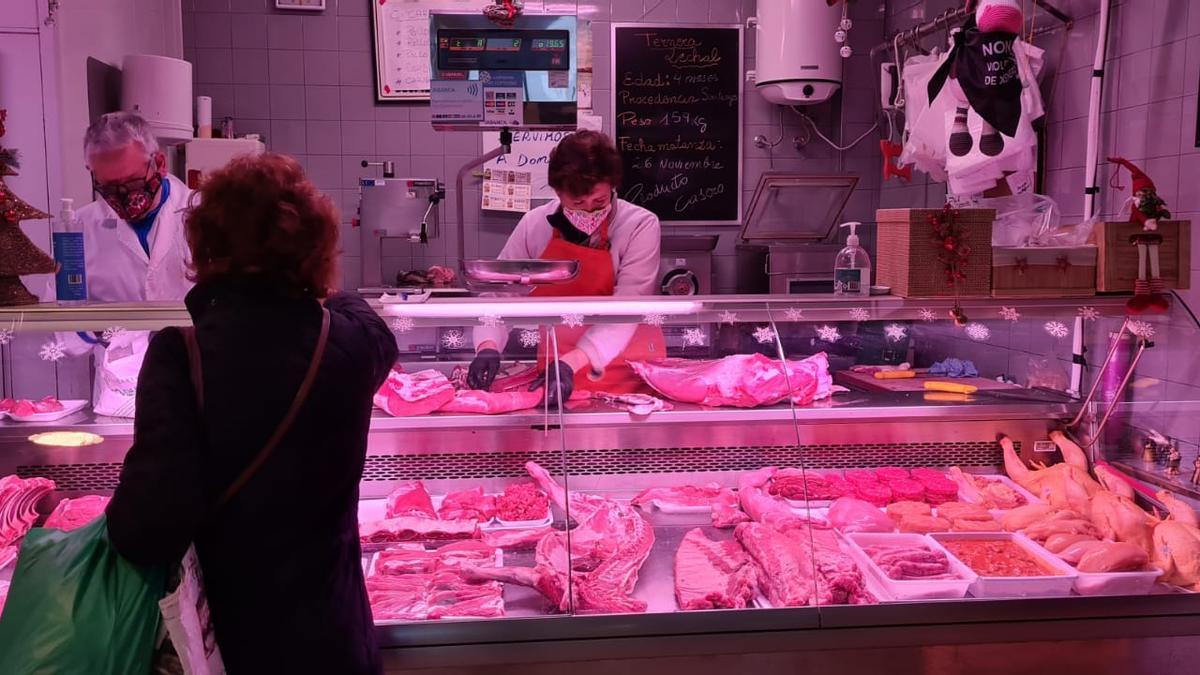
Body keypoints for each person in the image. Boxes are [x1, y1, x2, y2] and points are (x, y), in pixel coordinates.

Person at [106, 153, 397, 674]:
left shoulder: (182, 354)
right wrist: (312, 282)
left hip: (228, 646)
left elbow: (146, 531)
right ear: (316, 246)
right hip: (334, 643)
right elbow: (365, 319)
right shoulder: (352, 342)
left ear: (205, 247)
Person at [469, 130, 662, 403]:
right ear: (558, 192)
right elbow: (500, 293)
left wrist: (572, 362)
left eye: (599, 201)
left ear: (612, 187)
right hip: (554, 364)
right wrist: (487, 345)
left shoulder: (639, 225)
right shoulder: (534, 224)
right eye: (577, 203)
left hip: (624, 366)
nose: (589, 211)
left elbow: (628, 307)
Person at [78, 110, 194, 302]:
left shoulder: (205, 214)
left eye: (132, 182)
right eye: (109, 187)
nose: (123, 194)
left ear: (160, 163)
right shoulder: (79, 228)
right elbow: (62, 316)